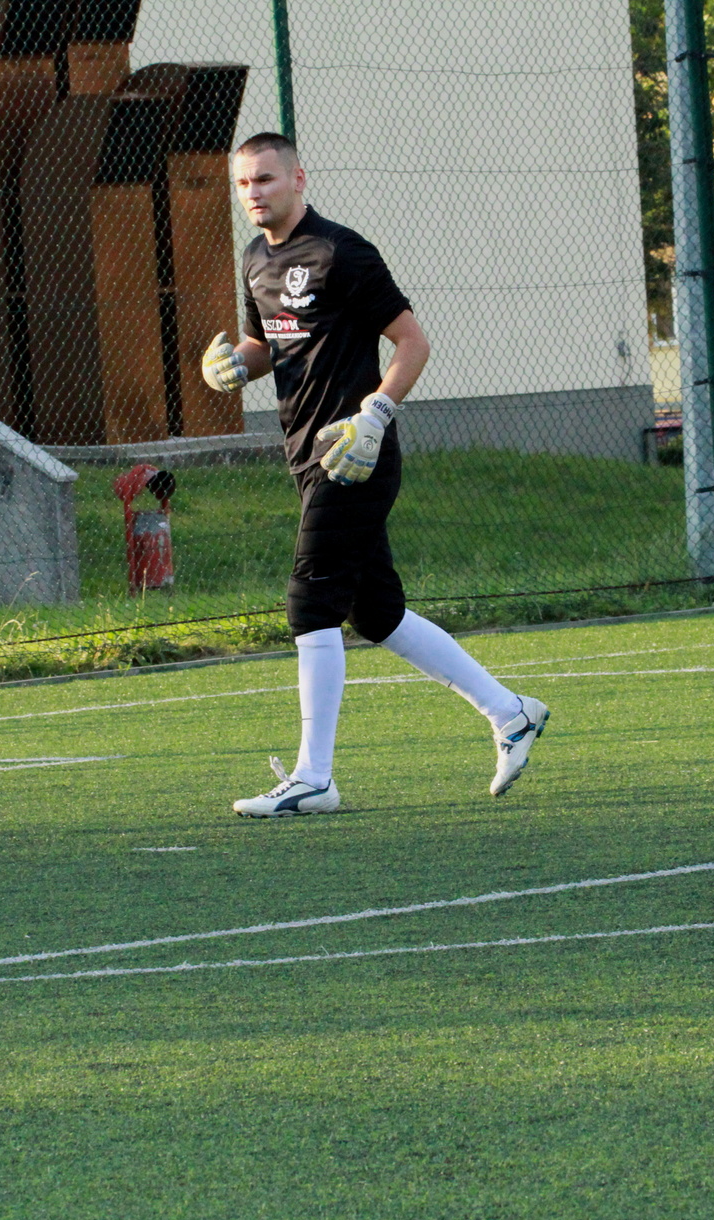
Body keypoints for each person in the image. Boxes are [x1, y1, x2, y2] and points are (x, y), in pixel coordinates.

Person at [200, 132, 549, 817]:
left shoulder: (342, 251)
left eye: (266, 179)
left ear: (298, 178)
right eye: (243, 184)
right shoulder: (255, 259)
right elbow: (268, 343)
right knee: (376, 612)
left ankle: (314, 777)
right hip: (305, 455)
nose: (254, 194)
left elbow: (412, 341)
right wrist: (235, 364)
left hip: (355, 455)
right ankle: (510, 713)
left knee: (310, 602)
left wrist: (377, 414)